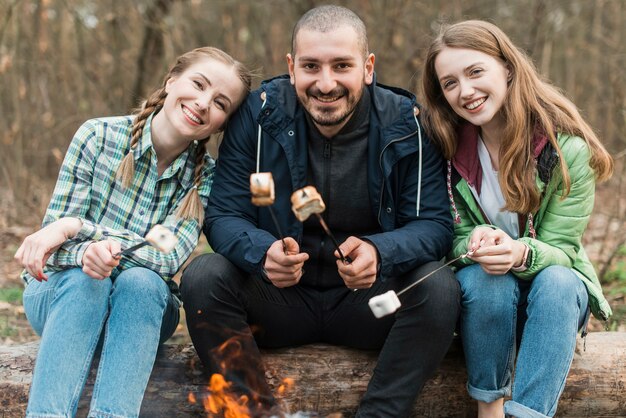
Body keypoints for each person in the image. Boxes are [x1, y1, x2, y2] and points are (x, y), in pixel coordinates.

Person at [180, 5, 460, 417]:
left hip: (371, 305)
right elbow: (223, 215)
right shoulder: (258, 116)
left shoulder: (408, 123)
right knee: (204, 276)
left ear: (367, 67)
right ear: (292, 68)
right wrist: (262, 254)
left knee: (438, 289)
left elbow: (434, 225)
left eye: (341, 66)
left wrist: (380, 252)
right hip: (277, 303)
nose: (325, 84)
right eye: (311, 66)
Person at [14, 46, 251, 418]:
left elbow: (168, 257)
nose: (204, 103)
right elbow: (49, 252)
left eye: (220, 103)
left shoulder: (205, 179)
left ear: (222, 123)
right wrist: (83, 255)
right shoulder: (97, 137)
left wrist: (76, 229)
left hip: (140, 311)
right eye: (198, 84)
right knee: (84, 282)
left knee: (142, 282)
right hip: (60, 297)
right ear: (171, 81)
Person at [421, 20, 614, 418]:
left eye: (476, 72)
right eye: (450, 83)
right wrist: (476, 241)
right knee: (481, 274)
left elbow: (562, 250)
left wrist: (520, 253)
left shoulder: (565, 151)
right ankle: (488, 409)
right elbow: (451, 236)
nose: (466, 91)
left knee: (559, 279)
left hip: (552, 302)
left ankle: (527, 414)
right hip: (485, 303)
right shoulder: (445, 149)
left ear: (507, 67)